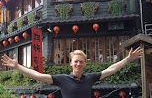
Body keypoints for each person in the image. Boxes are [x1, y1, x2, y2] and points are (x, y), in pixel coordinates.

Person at [1, 47, 143, 98]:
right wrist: (18, 66)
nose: (78, 64)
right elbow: (38, 75)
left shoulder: (91, 78)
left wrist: (128, 59)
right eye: (75, 61)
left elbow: (111, 69)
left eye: (81, 61)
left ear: (85, 63)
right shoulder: (62, 79)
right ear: (71, 63)